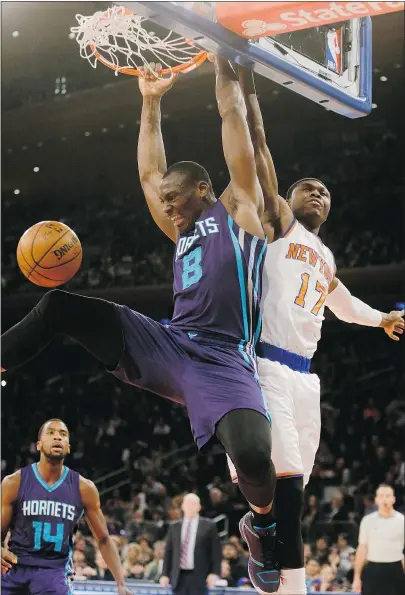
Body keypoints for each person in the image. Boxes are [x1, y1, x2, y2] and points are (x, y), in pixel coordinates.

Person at [1, 56, 280, 593]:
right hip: (169, 343)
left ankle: (262, 524)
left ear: (202, 190)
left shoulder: (240, 208)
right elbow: (151, 174)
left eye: (175, 202)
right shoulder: (181, 230)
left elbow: (232, 120)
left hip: (224, 357)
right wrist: (151, 100)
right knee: (61, 307)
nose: (167, 210)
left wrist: (227, 62)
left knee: (251, 452)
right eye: (165, 205)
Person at [225, 65, 405, 595]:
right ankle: (287, 576)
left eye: (325, 191)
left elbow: (342, 302)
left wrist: (382, 319)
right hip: (269, 360)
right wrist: (248, 85)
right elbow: (257, 149)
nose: (318, 193)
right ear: (291, 198)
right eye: (309, 187)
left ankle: (262, 537)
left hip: (307, 377)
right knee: (288, 478)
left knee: (296, 481)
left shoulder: (324, 255)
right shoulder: (279, 222)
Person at [1, 419, 131, 595]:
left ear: (68, 447)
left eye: (63, 435)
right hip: (16, 570)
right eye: (51, 433)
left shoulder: (84, 488)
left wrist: (121, 583)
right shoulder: (14, 482)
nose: (57, 438)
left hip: (55, 573)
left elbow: (104, 539)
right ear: (38, 445)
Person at [159, 493, 221, 595]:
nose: (189, 506)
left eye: (193, 503)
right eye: (187, 503)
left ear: (199, 507)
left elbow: (216, 552)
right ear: (182, 506)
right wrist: (164, 574)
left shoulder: (209, 526)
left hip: (200, 576)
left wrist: (214, 573)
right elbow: (168, 552)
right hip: (178, 577)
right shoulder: (174, 527)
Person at [353, 484, 405, 595]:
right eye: (381, 496)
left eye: (388, 496)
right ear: (376, 499)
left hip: (396, 569)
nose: (385, 499)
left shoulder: (402, 521)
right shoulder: (367, 521)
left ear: (393, 499)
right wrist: (357, 577)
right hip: (373, 569)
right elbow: (362, 549)